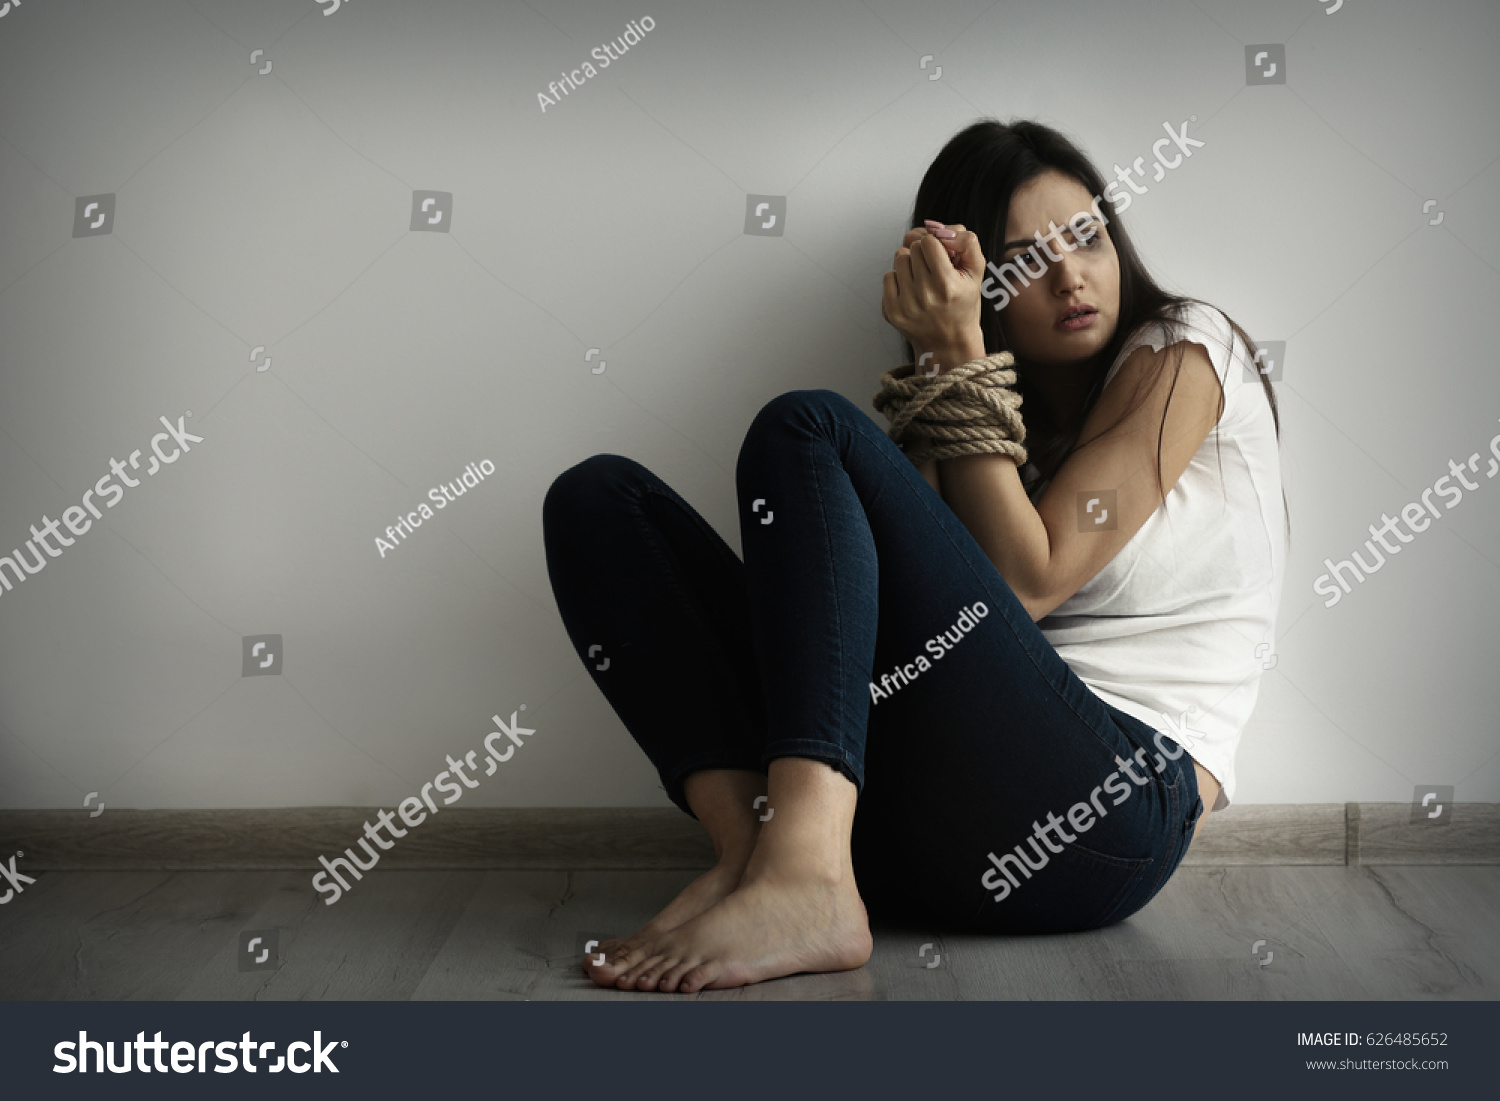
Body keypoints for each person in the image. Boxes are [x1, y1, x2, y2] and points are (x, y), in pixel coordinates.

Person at [541, 119, 1288, 994]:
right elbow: (908, 626)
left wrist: (954, 351)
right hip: (919, 832)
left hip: (1105, 815)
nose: (1072, 275)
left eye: (1087, 236)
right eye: (1025, 258)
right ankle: (764, 854)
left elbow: (1024, 582)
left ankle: (803, 875)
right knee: (599, 500)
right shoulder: (977, 414)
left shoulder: (1185, 350)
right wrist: (949, 376)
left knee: (808, 424)